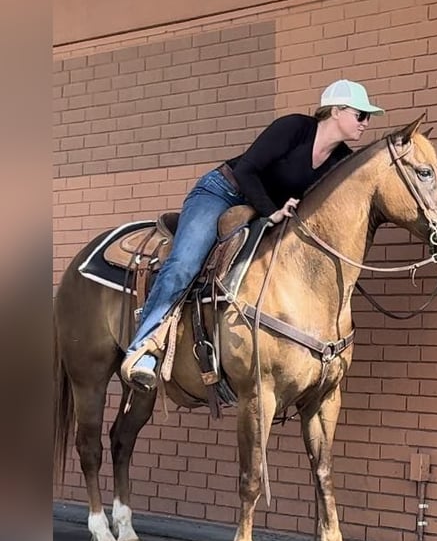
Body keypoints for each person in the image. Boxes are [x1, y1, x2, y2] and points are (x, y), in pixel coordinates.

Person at [121, 79, 385, 391]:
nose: (366, 123)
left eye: (368, 117)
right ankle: (142, 349)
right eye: (361, 115)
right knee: (184, 264)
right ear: (336, 111)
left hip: (264, 211)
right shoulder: (294, 128)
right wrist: (270, 210)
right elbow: (247, 170)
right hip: (222, 192)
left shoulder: (340, 160)